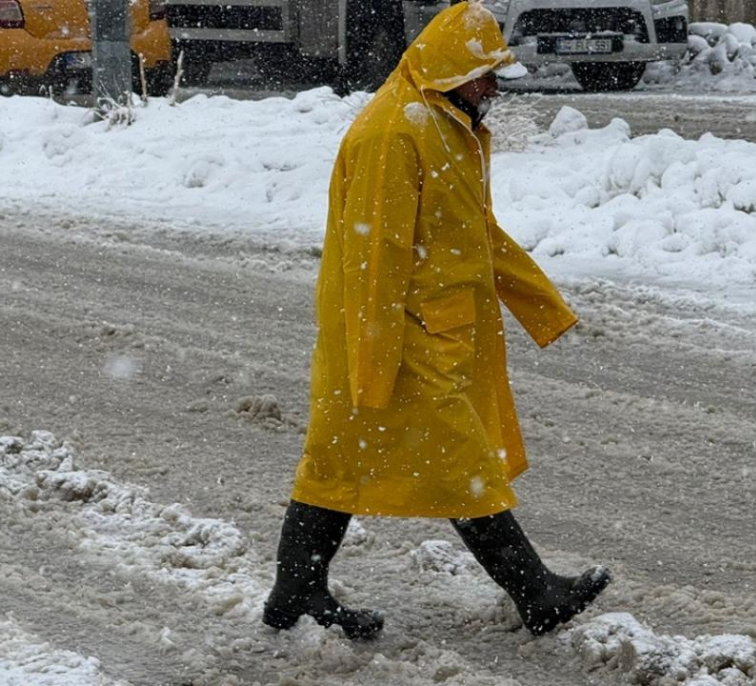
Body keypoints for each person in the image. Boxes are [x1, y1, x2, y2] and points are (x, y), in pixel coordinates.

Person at [262, 1, 611, 640]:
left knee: (341, 459)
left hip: (430, 332)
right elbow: (374, 258)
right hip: (395, 336)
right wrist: (372, 362)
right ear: (451, 69)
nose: (493, 88)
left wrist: (541, 305)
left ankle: (295, 588)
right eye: (484, 74)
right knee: (460, 464)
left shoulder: (447, 125)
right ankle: (536, 593)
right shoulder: (394, 133)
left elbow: (476, 233)